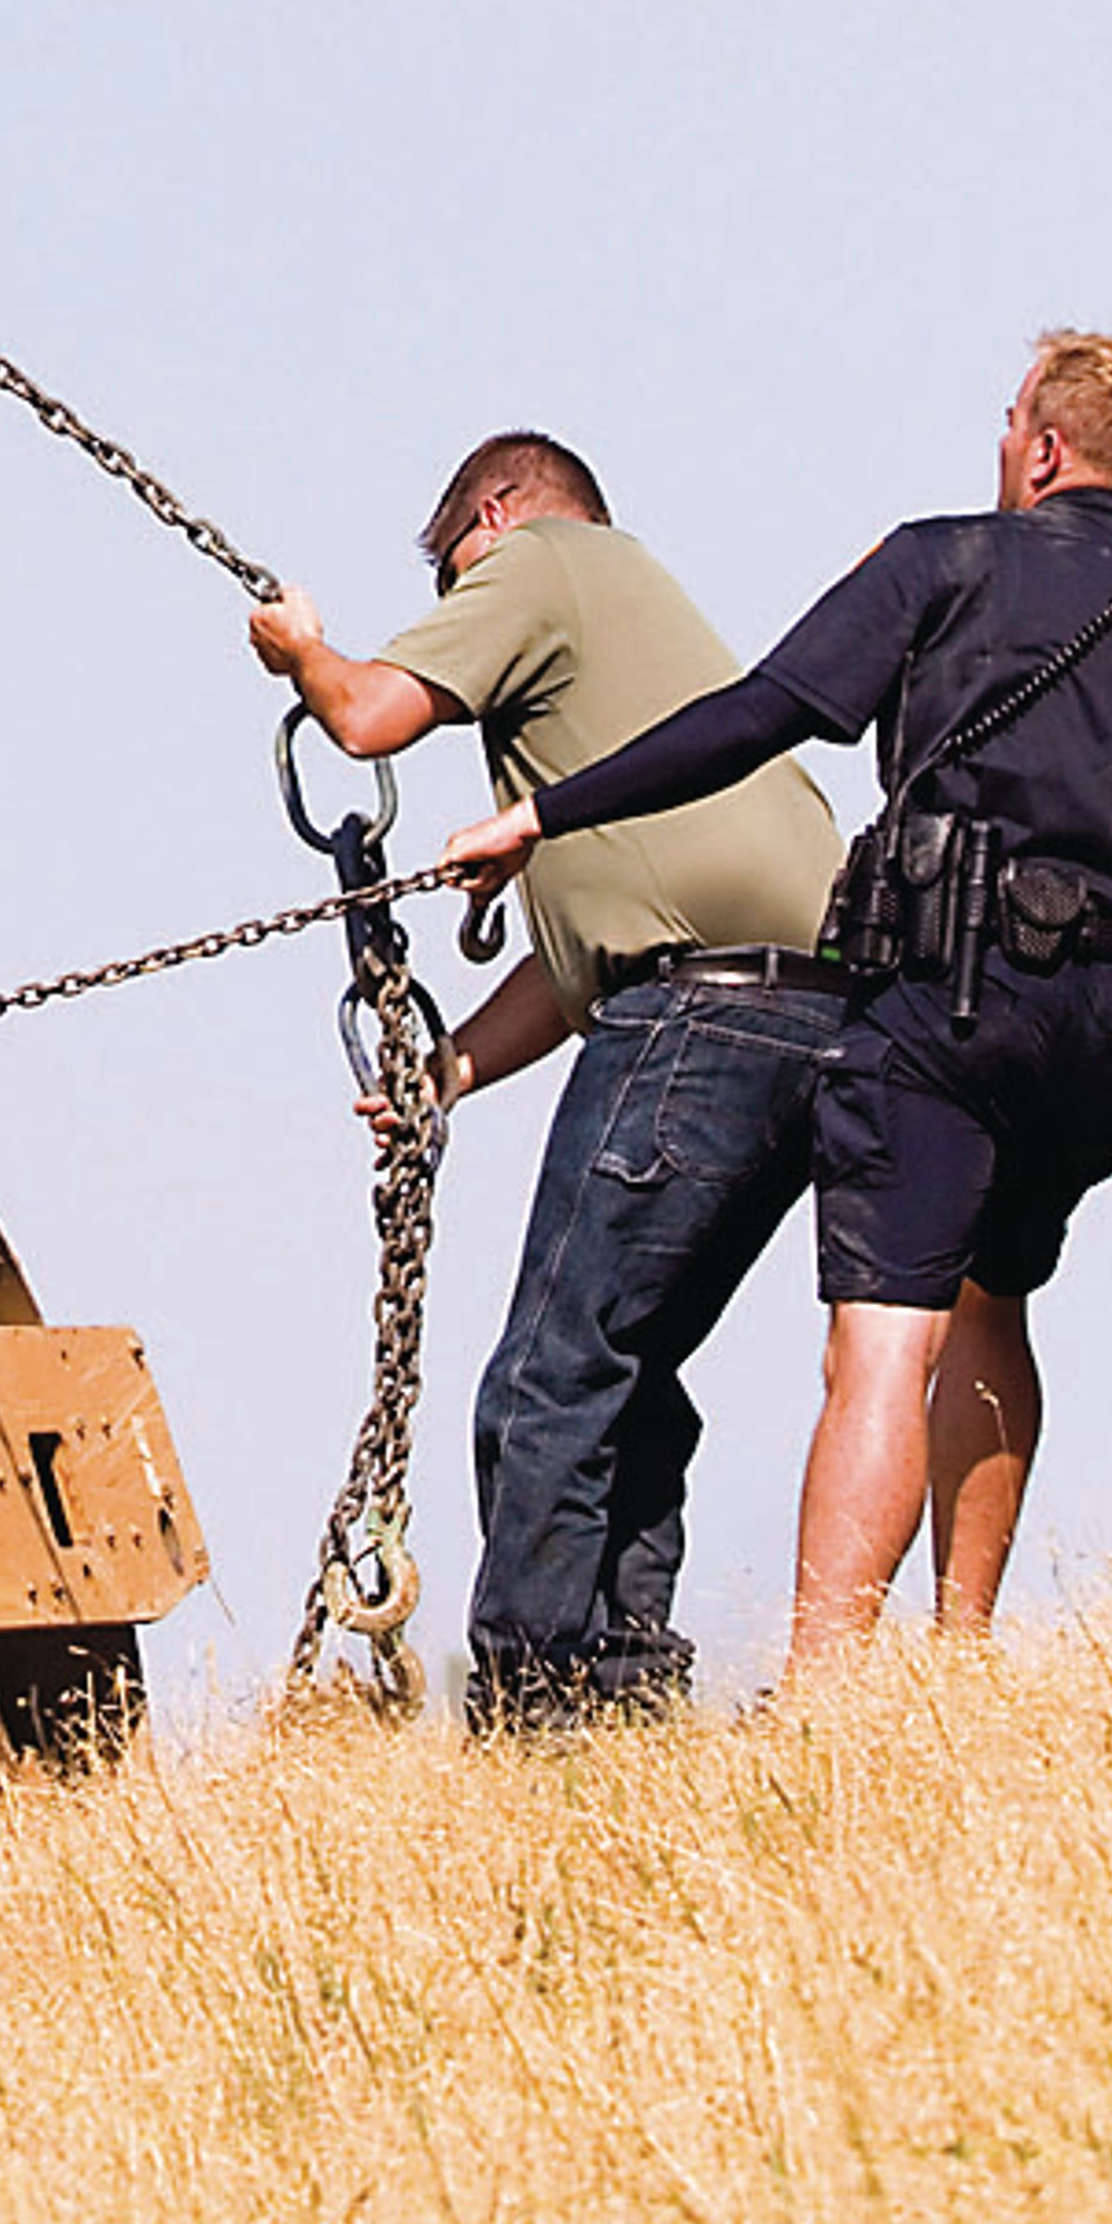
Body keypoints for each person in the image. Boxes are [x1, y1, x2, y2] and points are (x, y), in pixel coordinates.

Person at [442, 331, 1112, 1666]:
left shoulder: (946, 562)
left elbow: (756, 717)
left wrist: (547, 814)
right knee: (997, 1304)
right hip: (1110, 1043)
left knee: (885, 1346)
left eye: (1008, 422)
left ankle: (829, 1683)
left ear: (1043, 447)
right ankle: (961, 1651)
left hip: (944, 1012)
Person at [249, 429, 843, 1723]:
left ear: (499, 513)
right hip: (803, 1027)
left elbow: (366, 718)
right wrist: (444, 1073)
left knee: (544, 1385)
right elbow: (585, 972)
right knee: (625, 1373)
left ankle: (540, 1715)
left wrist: (304, 652)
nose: (458, 607)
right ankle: (624, 1691)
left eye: (452, 572)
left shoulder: (540, 564)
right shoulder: (638, 665)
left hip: (689, 1017)